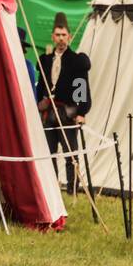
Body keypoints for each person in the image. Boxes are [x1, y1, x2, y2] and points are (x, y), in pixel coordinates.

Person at [37, 12, 92, 193]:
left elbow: (81, 88)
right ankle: (52, 188)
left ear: (69, 37)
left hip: (67, 113)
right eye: (57, 35)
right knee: (49, 153)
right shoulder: (45, 60)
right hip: (48, 114)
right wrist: (40, 103)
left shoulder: (77, 61)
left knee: (70, 155)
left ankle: (72, 189)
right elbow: (40, 88)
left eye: (64, 35)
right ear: (53, 37)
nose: (61, 39)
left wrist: (81, 112)